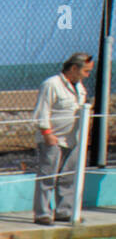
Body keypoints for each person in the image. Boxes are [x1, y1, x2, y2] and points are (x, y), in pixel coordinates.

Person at [32, 52, 93, 225]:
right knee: (47, 177)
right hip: (53, 139)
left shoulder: (80, 87)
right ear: (74, 68)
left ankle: (63, 211)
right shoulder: (51, 84)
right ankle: (42, 213)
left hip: (73, 140)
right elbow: (42, 111)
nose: (87, 75)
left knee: (67, 177)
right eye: (86, 71)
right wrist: (47, 134)